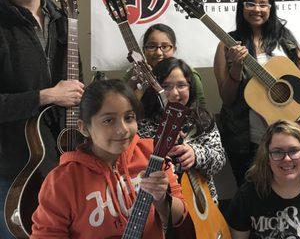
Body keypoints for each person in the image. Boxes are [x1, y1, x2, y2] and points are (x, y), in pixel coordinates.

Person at [0, 0, 84, 238]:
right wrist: (46, 96)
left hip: (64, 165)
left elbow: (77, 87)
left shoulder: (62, 20)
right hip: (12, 170)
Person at [30, 79, 187, 238]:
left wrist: (162, 200)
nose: (123, 130)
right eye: (108, 120)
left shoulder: (152, 155)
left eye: (129, 118)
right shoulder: (62, 181)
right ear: (84, 127)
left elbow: (179, 218)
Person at [213, 0, 300, 186]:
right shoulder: (227, 43)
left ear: (271, 8)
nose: (257, 9)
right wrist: (236, 67)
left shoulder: (286, 39)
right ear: (242, 7)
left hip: (288, 133)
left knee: (290, 188)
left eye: (263, 4)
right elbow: (227, 98)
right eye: (251, 3)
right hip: (246, 138)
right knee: (251, 193)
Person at [140, 57, 226, 203]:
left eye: (181, 85)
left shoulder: (202, 118)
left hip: (203, 203)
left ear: (190, 87)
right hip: (162, 204)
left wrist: (196, 153)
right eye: (166, 86)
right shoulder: (143, 124)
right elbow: (139, 167)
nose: (174, 93)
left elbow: (219, 160)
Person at [124, 23, 206, 107]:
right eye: (152, 46)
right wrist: (131, 85)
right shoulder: (134, 74)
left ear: (174, 49)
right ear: (143, 50)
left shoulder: (188, 74)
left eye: (165, 46)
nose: (158, 53)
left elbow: (200, 105)